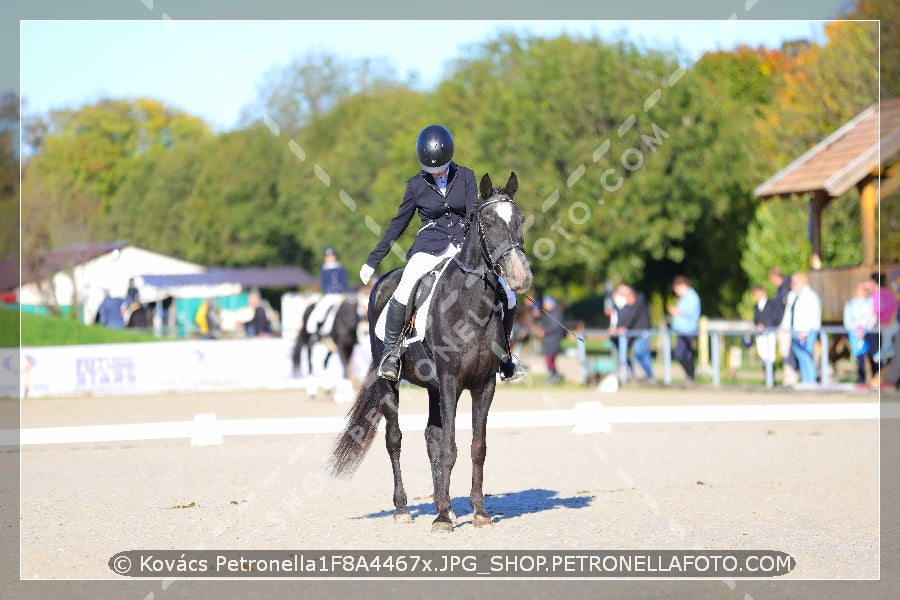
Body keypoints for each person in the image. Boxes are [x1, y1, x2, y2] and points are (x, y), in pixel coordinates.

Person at [359, 124, 522, 382]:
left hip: (462, 246)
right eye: (431, 171)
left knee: (508, 293)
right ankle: (391, 354)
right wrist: (373, 259)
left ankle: (505, 355)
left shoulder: (466, 176)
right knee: (405, 286)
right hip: (429, 247)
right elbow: (398, 223)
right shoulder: (415, 185)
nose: (437, 174)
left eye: (442, 168)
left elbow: (473, 214)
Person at [784, 271, 821, 385]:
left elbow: (814, 315)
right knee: (801, 357)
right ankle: (806, 381)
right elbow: (788, 313)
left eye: (795, 283)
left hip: (807, 332)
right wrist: (784, 326)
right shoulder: (793, 296)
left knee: (807, 357)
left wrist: (805, 331)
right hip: (795, 331)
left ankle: (811, 381)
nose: (792, 285)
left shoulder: (811, 296)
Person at [306, 246, 351, 338]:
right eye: (328, 256)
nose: (330, 258)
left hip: (340, 295)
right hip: (329, 295)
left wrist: (343, 292)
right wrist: (327, 291)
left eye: (331, 256)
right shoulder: (323, 270)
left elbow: (344, 282)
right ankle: (314, 331)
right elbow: (324, 283)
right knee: (320, 310)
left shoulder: (341, 269)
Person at [613, 284, 655, 382]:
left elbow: (631, 318)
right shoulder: (627, 306)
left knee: (639, 352)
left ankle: (650, 376)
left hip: (644, 332)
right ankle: (641, 375)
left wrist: (624, 327)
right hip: (635, 334)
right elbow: (623, 319)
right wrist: (617, 328)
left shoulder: (639, 300)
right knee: (635, 353)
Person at [769, 267, 798, 387]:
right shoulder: (782, 289)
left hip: (785, 327)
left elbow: (784, 311)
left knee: (787, 353)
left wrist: (780, 323)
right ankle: (789, 378)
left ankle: (791, 379)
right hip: (783, 326)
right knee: (786, 353)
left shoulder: (785, 289)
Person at [668, 275, 700, 382]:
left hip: (688, 330)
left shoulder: (692, 297)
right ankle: (690, 377)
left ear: (683, 285)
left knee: (680, 354)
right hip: (682, 330)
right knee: (686, 354)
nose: (676, 292)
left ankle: (691, 376)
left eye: (677, 289)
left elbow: (689, 313)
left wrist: (676, 311)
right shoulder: (685, 297)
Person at [842, 281, 875, 385]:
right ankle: (862, 382)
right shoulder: (850, 304)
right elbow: (848, 322)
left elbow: (874, 316)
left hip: (869, 333)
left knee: (873, 358)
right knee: (860, 360)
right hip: (856, 335)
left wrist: (871, 288)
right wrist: (857, 331)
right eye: (861, 289)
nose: (863, 292)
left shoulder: (870, 301)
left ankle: (875, 381)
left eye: (865, 289)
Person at [537, 295, 565, 384]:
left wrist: (544, 331)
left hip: (553, 339)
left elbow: (555, 326)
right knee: (550, 359)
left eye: (546, 304)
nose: (544, 305)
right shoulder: (550, 312)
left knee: (549, 358)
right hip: (549, 339)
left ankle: (551, 377)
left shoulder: (556, 313)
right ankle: (555, 377)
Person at [751, 284, 776, 375]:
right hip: (760, 335)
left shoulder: (771, 304)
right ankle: (767, 378)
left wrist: (765, 325)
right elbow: (755, 320)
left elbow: (774, 318)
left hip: (769, 333)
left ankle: (771, 378)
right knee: (763, 356)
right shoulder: (756, 307)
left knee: (770, 357)